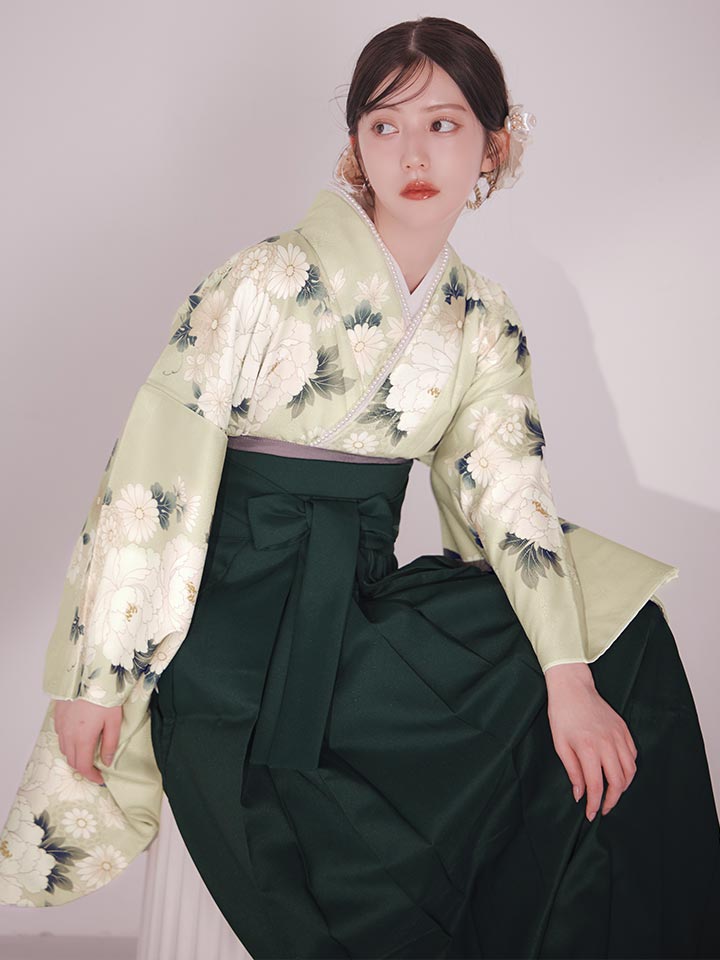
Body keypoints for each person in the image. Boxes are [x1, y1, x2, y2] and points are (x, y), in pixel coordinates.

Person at [2, 15, 718, 959]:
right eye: (385, 125)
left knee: (624, 638)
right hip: (230, 621)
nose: (412, 154)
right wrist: (99, 676)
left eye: (443, 124)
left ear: (493, 146)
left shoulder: (480, 320)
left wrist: (568, 680)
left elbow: (512, 500)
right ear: (356, 145)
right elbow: (151, 481)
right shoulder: (262, 279)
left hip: (355, 607)